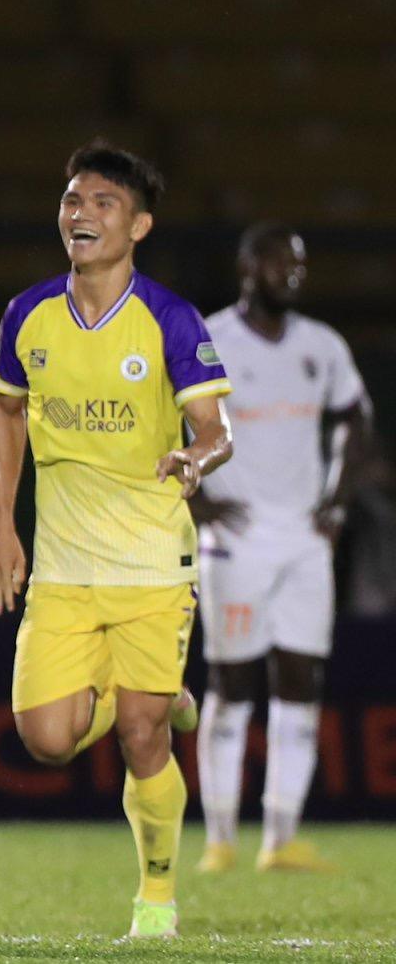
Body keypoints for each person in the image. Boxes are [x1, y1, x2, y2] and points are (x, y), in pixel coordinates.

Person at [0, 141, 233, 941]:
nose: (81, 215)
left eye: (103, 204)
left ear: (140, 225)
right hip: (64, 568)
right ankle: (154, 694)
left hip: (154, 565)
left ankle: (155, 899)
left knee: (139, 736)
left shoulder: (170, 318)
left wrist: (196, 458)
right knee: (46, 738)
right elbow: (6, 414)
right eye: (73, 201)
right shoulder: (29, 314)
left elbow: (216, 428)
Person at [191, 223, 374, 874]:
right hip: (235, 540)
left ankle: (280, 837)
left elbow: (357, 418)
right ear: (248, 268)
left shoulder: (321, 347)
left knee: (301, 681)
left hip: (304, 540)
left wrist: (337, 501)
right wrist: (195, 499)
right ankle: (219, 839)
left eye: (299, 264)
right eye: (279, 263)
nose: (292, 274)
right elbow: (160, 415)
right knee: (232, 683)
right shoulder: (211, 338)